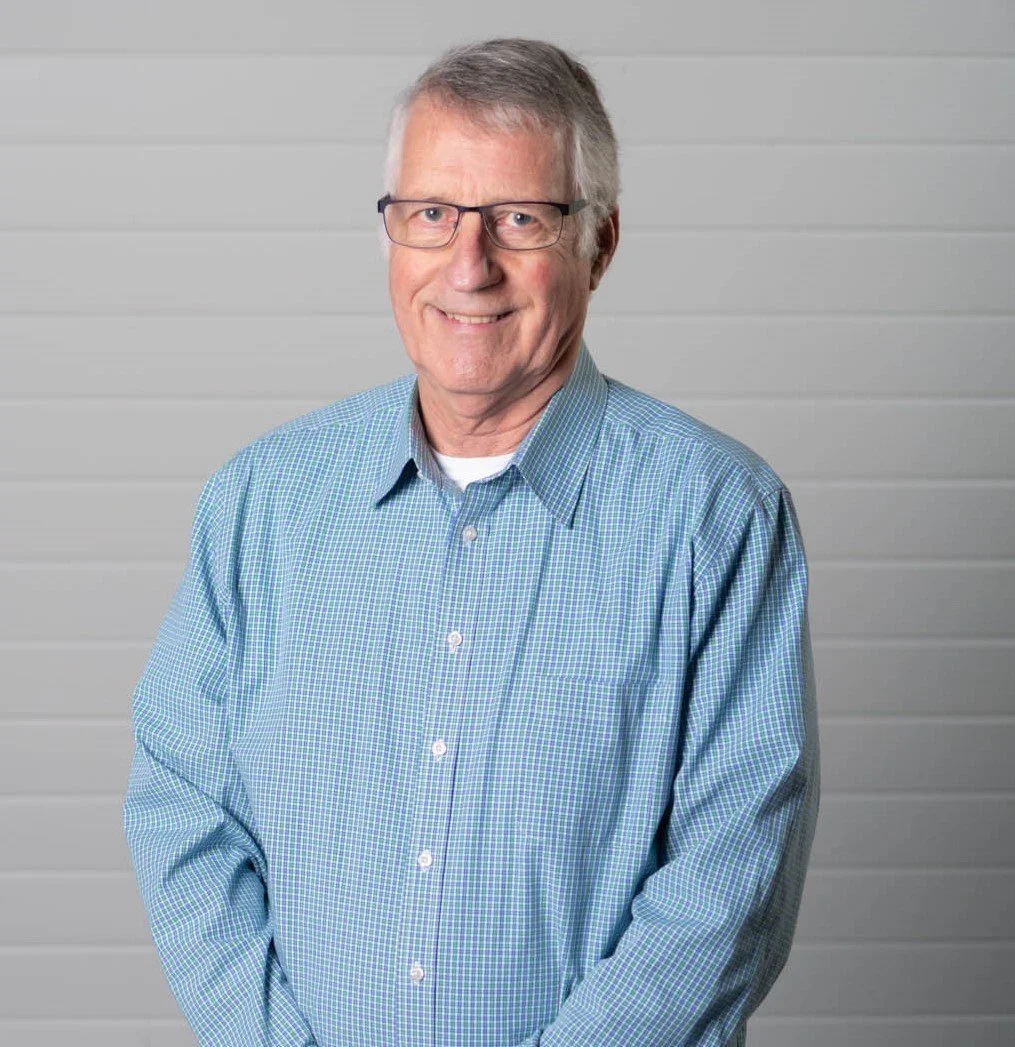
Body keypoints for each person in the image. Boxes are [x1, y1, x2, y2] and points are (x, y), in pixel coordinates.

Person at [124, 37, 819, 1047]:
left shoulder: (716, 517)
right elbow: (183, 814)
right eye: (431, 215)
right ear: (391, 234)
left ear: (602, 242)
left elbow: (732, 881)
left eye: (521, 218)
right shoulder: (261, 504)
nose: (469, 265)